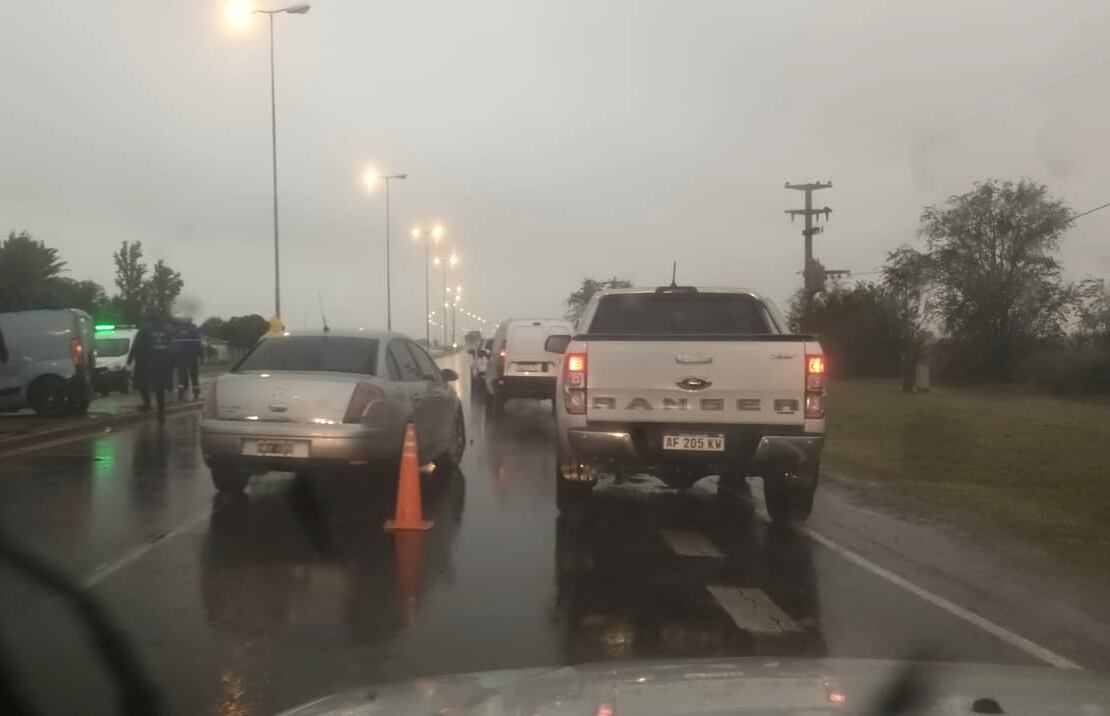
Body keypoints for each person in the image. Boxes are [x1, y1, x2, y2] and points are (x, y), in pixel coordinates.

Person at [128, 313, 175, 423]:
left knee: (141, 383)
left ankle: (147, 403)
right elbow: (172, 346)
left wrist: (130, 358)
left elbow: (137, 344)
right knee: (160, 388)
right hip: (163, 363)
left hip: (146, 363)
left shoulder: (144, 329)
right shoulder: (166, 330)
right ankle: (161, 410)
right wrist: (173, 361)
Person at [172, 318, 202, 400]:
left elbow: (173, 345)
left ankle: (181, 392)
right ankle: (196, 391)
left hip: (181, 357)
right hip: (192, 356)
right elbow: (198, 343)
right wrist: (200, 355)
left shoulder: (177, 329)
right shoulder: (194, 329)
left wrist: (174, 358)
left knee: (181, 375)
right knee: (194, 374)